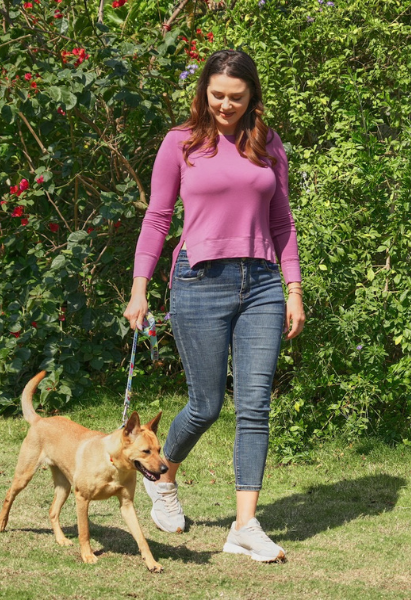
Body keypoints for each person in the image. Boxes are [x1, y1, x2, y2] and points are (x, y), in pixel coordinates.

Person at [123, 49, 304, 563]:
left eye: (237, 98)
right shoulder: (180, 143)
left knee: (254, 407)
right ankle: (162, 478)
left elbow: (282, 224)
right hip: (199, 282)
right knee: (205, 404)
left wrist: (294, 288)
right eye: (218, 95)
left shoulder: (268, 144)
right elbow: (158, 219)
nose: (226, 105)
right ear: (204, 92)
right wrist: (139, 288)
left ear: (252, 99)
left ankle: (245, 526)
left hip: (263, 283)